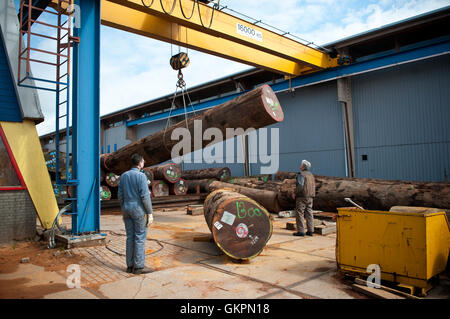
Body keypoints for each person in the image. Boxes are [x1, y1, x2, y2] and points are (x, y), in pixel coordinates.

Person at [118, 153, 154, 274]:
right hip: (138, 210)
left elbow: (120, 195)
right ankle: (138, 267)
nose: (143, 163)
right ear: (139, 163)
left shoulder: (123, 176)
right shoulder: (141, 176)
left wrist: (124, 207)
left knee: (130, 237)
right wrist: (149, 213)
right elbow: (145, 196)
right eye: (143, 161)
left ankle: (129, 266)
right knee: (139, 237)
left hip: (126, 209)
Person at [292, 160, 315, 237]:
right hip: (310, 197)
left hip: (302, 196)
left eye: (301, 165)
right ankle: (310, 231)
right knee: (309, 213)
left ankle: (301, 231)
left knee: (300, 213)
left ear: (303, 166)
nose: (300, 166)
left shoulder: (301, 174)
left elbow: (300, 186)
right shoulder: (311, 175)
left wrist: (294, 192)